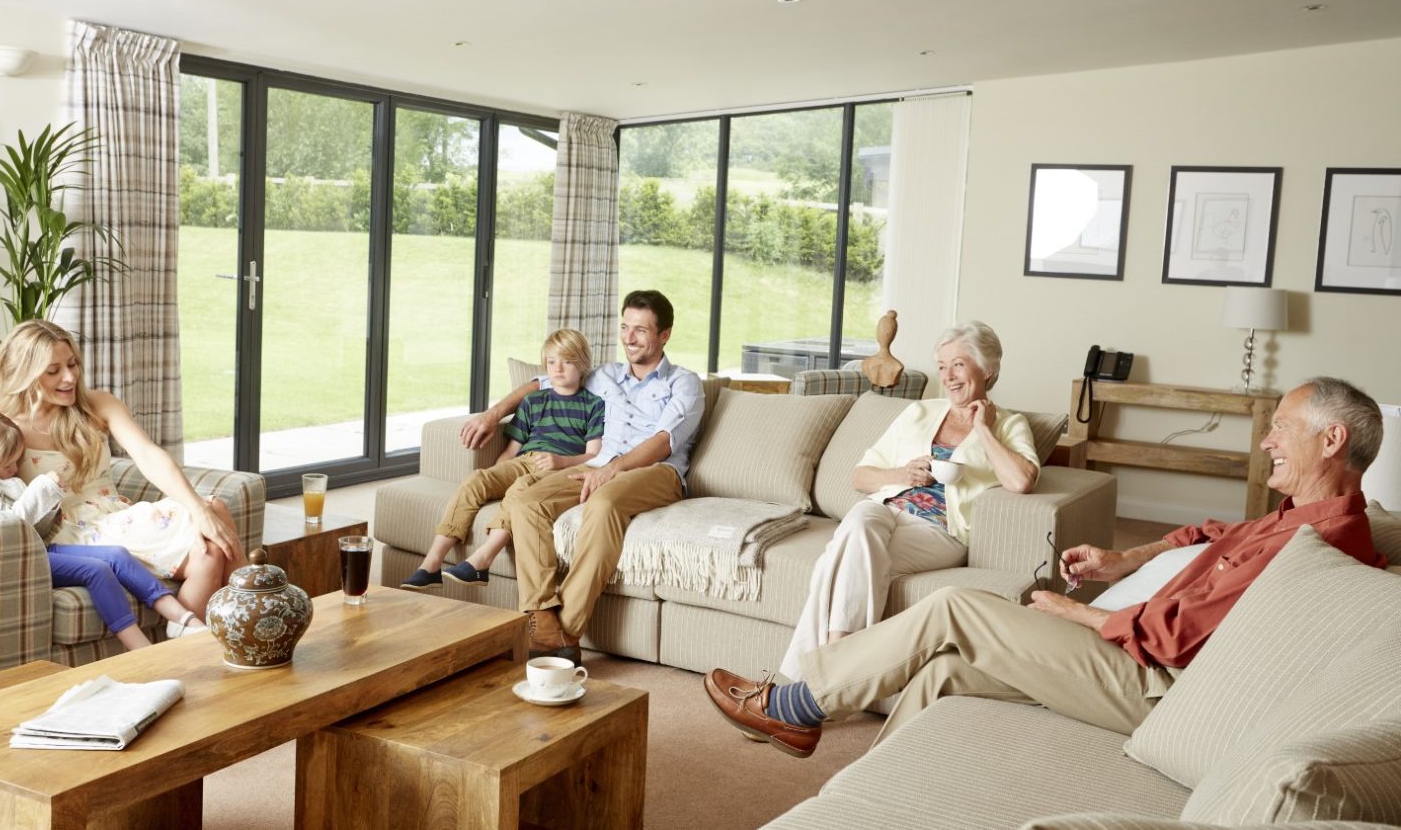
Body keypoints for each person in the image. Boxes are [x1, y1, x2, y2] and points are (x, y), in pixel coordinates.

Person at [706, 376, 1384, 758]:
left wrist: (1078, 611)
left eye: (1282, 428)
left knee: (956, 608)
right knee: (945, 670)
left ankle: (798, 702)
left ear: (1332, 440)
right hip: (1143, 657)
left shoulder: (1316, 546)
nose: (1266, 440)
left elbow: (1177, 638)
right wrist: (1128, 555)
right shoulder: (1299, 514)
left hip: (1161, 686)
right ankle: (864, 802)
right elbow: (1210, 531)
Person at [0, 319, 242, 617]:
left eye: (72, 364)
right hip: (72, 535)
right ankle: (257, 624)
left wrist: (195, 509)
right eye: (53, 370)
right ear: (24, 372)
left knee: (210, 544)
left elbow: (148, 454)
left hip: (116, 518)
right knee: (213, 516)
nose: (70, 377)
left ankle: (191, 651)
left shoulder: (97, 405)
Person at [780, 321, 1039, 679]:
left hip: (939, 531)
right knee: (859, 522)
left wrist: (983, 428)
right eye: (943, 366)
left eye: (959, 364)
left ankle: (806, 681)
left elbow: (1022, 480)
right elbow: (861, 476)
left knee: (836, 562)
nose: (948, 376)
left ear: (988, 369)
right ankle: (832, 675)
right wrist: (901, 474)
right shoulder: (919, 411)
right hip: (884, 511)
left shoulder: (1009, 424)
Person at [459, 291, 705, 664]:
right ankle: (542, 619)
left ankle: (566, 630)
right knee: (527, 501)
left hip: (656, 472)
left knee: (603, 502)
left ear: (664, 335)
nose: (630, 337)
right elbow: (542, 383)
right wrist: (492, 415)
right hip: (596, 466)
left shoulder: (684, 383)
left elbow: (662, 443)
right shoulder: (604, 376)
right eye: (625, 327)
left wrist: (612, 470)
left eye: (641, 330)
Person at [0, 410, 209, 649]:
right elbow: (7, 528)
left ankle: (183, 619)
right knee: (96, 570)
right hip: (14, 560)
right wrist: (42, 487)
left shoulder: (3, 480)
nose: (14, 469)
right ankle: (139, 649)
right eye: (8, 464)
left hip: (39, 549)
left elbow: (35, 526)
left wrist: (52, 502)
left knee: (115, 554)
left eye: (16, 462)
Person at [400, 328, 605, 590]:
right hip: (525, 460)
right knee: (478, 478)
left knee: (521, 489)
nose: (558, 369)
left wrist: (561, 462)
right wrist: (496, 477)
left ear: (583, 364)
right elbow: (511, 451)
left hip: (558, 469)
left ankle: (482, 561)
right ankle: (431, 564)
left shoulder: (594, 405)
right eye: (552, 362)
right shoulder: (533, 401)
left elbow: (595, 454)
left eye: (567, 361)